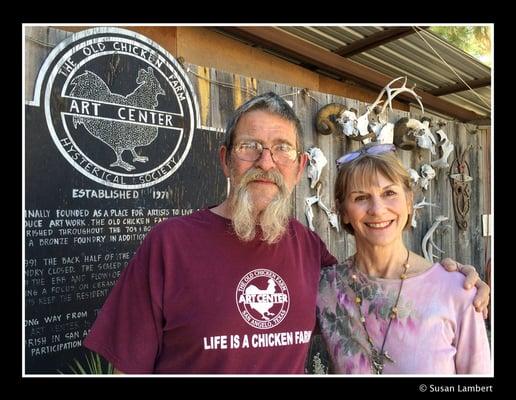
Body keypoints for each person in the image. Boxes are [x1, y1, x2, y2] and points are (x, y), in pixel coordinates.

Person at [83, 93, 489, 374]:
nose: (266, 161)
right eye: (250, 147)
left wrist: (453, 278)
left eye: (282, 149)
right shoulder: (168, 244)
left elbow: (383, 282)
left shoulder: (310, 252)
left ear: (297, 168)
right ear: (226, 160)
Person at [316, 143, 491, 374]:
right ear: (343, 211)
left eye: (389, 193)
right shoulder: (325, 287)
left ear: (409, 201)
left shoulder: (458, 291)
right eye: (360, 197)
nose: (377, 209)